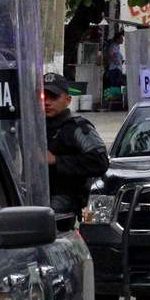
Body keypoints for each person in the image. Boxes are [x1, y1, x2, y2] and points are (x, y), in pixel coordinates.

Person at [43, 72, 109, 215]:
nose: (47, 102)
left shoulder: (77, 128)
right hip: (35, 197)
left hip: (64, 202)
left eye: (53, 97)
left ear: (68, 100)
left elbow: (100, 161)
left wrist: (57, 161)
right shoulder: (34, 127)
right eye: (43, 96)